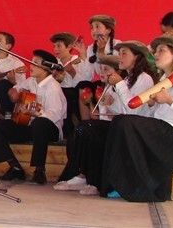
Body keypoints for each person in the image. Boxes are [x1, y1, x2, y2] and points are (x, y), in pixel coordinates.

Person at [101, 36, 173, 202]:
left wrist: (170, 100)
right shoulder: (163, 80)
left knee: (126, 123)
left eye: (162, 50)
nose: (156, 54)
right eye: (156, 51)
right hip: (164, 129)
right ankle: (120, 183)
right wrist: (151, 105)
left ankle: (135, 186)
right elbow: (156, 114)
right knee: (120, 121)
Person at [0, 50, 66, 185]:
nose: (30, 66)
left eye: (35, 63)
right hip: (30, 126)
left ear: (46, 68)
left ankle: (39, 170)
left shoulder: (53, 87)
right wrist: (13, 92)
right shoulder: (31, 81)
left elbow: (55, 115)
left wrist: (35, 113)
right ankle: (15, 166)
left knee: (39, 123)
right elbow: (17, 88)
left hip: (50, 129)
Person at [53, 55, 124, 196]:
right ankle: (81, 174)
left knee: (88, 130)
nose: (102, 73)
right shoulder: (105, 89)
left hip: (117, 129)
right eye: (101, 69)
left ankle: (93, 179)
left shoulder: (120, 88)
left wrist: (111, 105)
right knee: (76, 133)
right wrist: (91, 105)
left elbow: (122, 114)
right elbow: (100, 115)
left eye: (107, 69)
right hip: (104, 126)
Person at [49, 32, 88, 136]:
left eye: (59, 46)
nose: (56, 49)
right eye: (54, 46)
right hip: (57, 91)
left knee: (66, 95)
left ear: (69, 46)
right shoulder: (54, 63)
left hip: (73, 92)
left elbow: (84, 82)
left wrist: (72, 72)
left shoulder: (78, 61)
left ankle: (69, 132)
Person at [106, 41, 158, 117]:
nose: (119, 57)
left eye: (124, 53)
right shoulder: (126, 79)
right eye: (119, 54)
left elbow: (134, 111)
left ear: (136, 56)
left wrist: (120, 84)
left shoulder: (144, 78)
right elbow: (123, 111)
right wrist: (111, 103)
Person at [74, 15, 122, 81]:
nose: (94, 31)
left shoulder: (117, 45)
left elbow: (120, 69)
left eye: (97, 27)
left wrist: (101, 52)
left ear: (108, 30)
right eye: (92, 28)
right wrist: (83, 53)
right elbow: (88, 77)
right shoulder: (91, 48)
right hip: (103, 83)